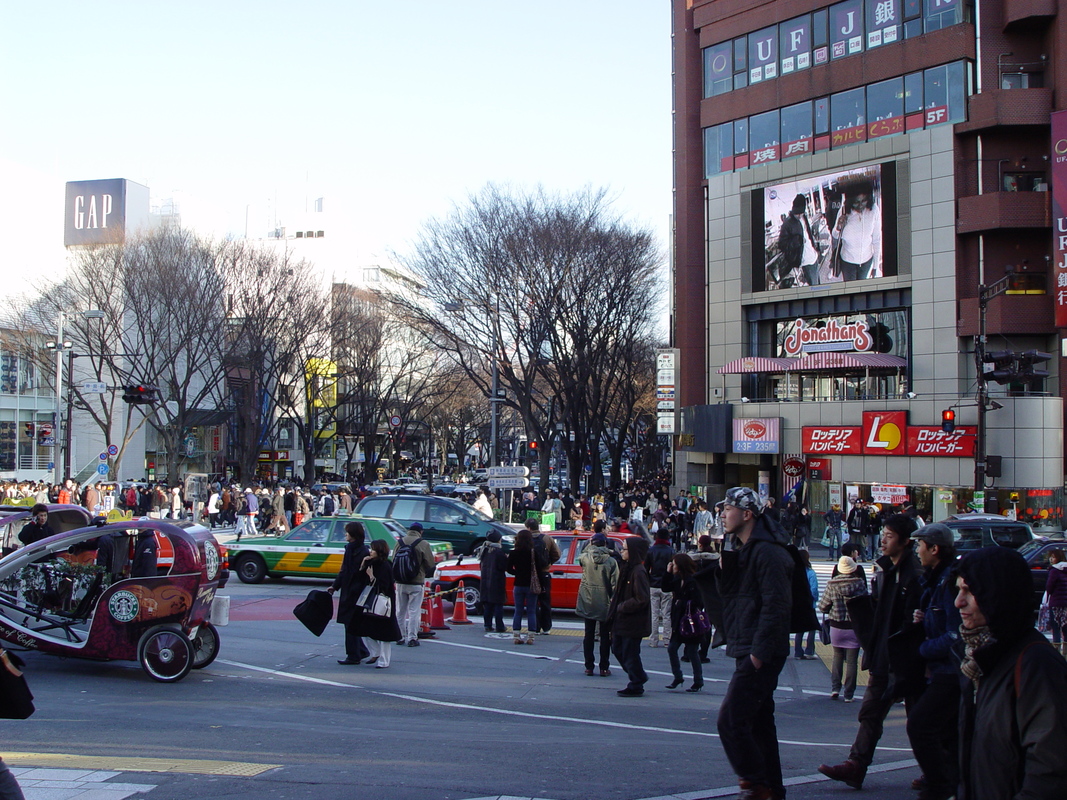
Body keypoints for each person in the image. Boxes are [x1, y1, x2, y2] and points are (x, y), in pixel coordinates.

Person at [819, 513, 922, 790]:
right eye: (884, 535)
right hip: (883, 654)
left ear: (905, 541)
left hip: (907, 658)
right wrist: (873, 647)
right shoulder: (886, 568)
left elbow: (910, 622)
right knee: (870, 712)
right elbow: (879, 614)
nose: (884, 541)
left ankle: (937, 770)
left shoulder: (914, 574)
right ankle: (856, 765)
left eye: (889, 536)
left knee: (920, 719)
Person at [955, 546, 1067, 800]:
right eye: (958, 590)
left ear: (998, 594)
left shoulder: (1035, 665)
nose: (958, 602)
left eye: (970, 591)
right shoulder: (979, 659)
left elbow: (1050, 773)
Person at [715, 487, 793, 800]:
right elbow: (732, 595)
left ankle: (755, 783)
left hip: (760, 650)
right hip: (745, 642)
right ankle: (772, 788)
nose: (722, 514)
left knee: (731, 719)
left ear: (747, 514)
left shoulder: (768, 552)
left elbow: (777, 606)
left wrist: (759, 654)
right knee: (760, 723)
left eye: (728, 509)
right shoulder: (740, 547)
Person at [905, 524, 961, 800]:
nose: (917, 550)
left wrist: (923, 649)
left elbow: (954, 634)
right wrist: (924, 617)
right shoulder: (934, 579)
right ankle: (950, 783)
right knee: (948, 733)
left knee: (920, 725)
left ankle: (940, 786)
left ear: (934, 549)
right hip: (941, 670)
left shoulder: (948, 582)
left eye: (920, 545)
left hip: (949, 671)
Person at [607, 535, 651, 697]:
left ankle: (637, 681)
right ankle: (637, 677)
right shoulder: (628, 568)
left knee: (629, 652)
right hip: (623, 620)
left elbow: (642, 598)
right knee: (618, 649)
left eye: (624, 549)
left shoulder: (638, 572)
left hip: (633, 621)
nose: (621, 551)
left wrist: (622, 606)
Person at [819, 555, 867, 702]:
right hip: (854, 627)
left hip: (836, 626)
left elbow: (823, 606)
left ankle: (835, 688)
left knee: (837, 657)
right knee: (852, 661)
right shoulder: (859, 583)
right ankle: (849, 694)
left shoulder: (832, 584)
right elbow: (865, 605)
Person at [575, 528, 618, 677]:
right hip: (604, 600)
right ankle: (604, 667)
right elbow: (615, 584)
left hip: (588, 598)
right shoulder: (611, 561)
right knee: (605, 636)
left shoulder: (585, 558)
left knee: (588, 634)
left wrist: (589, 546)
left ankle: (588, 666)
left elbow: (580, 557)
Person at [328, 521, 372, 665]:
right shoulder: (350, 549)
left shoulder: (363, 552)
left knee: (350, 623)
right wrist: (335, 586)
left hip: (356, 592)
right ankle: (360, 650)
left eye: (347, 532)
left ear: (353, 535)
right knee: (350, 623)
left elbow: (362, 575)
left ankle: (353, 655)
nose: (345, 535)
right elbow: (344, 570)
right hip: (348, 590)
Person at [663, 553, 704, 693]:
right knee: (672, 648)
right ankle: (678, 676)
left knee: (692, 651)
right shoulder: (677, 579)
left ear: (680, 566)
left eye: (674, 564)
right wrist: (668, 573)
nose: (672, 566)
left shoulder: (693, 581)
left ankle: (698, 681)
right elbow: (665, 587)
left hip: (690, 621)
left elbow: (698, 602)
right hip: (678, 620)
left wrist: (681, 603)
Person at [359, 539, 401, 668]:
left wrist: (372, 577)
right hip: (372, 601)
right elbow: (360, 578)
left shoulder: (385, 565)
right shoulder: (371, 563)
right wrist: (362, 565)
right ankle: (376, 653)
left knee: (384, 633)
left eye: (373, 549)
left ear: (379, 551)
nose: (370, 552)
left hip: (383, 602)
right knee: (367, 629)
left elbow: (384, 585)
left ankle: (383, 660)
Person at [831, 178, 881, 282]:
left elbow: (876, 239)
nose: (860, 206)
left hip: (867, 261)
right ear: (850, 201)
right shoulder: (844, 211)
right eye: (856, 202)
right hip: (847, 261)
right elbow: (835, 235)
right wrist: (838, 227)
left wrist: (875, 266)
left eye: (864, 201)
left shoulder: (874, 210)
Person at [394, 522, 435, 646]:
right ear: (420, 532)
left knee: (400, 610)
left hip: (400, 581)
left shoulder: (399, 542)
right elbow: (430, 564)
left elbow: (394, 559)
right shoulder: (423, 544)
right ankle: (412, 638)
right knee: (414, 611)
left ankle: (399, 636)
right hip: (416, 582)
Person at [505, 527, 547, 644]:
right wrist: (543, 586)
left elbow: (508, 568)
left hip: (518, 584)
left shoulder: (514, 553)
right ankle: (531, 637)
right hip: (531, 586)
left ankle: (516, 636)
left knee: (518, 610)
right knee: (531, 611)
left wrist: (517, 573)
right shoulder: (533, 553)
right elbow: (539, 571)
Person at [530, 519, 560, 634]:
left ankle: (535, 627)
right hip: (544, 573)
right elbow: (557, 554)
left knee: (533, 601)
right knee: (545, 600)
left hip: (531, 574)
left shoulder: (525, 539)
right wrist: (548, 563)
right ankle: (546, 627)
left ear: (528, 528)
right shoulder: (547, 538)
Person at [645, 529, 674, 648]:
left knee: (654, 614)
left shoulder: (651, 550)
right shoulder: (671, 551)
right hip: (667, 586)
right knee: (667, 614)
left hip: (653, 584)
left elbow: (646, 568)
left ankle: (653, 640)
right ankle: (667, 639)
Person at [478, 531, 508, 634]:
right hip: (496, 582)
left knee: (488, 605)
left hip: (485, 581)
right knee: (498, 605)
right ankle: (500, 626)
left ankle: (488, 625)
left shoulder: (484, 550)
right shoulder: (498, 552)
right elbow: (503, 567)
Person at [793, 549, 818, 659]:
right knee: (812, 626)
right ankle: (809, 650)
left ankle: (798, 651)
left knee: (800, 628)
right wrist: (814, 599)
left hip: (798, 603)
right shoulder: (810, 572)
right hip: (809, 604)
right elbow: (814, 589)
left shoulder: (795, 571)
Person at [1042, 548, 1067, 655]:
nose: (1051, 559)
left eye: (1053, 557)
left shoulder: (1054, 570)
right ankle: (1065, 649)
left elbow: (1049, 586)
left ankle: (1056, 649)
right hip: (1066, 603)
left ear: (1058, 558)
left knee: (1055, 625)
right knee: (1065, 625)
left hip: (1056, 602)